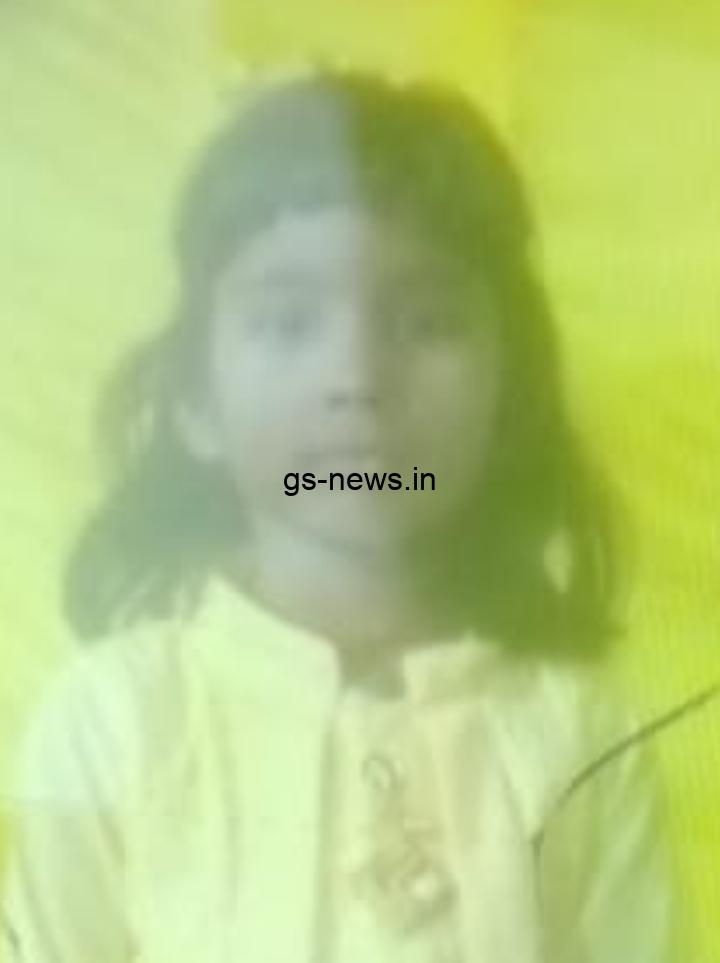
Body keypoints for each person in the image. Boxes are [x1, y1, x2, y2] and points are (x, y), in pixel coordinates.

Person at [1, 70, 675, 963]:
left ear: (511, 394)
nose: (357, 375)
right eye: (288, 323)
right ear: (197, 400)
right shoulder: (114, 721)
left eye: (427, 322)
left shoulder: (579, 732)